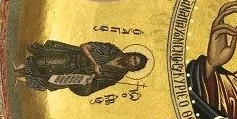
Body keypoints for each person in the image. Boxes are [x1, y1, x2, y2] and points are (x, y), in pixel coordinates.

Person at [14, 40, 147, 96]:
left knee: (48, 80)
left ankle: (18, 78)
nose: (132, 61)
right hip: (72, 58)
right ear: (131, 54)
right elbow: (85, 46)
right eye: (134, 57)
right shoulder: (112, 50)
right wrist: (94, 63)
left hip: (76, 76)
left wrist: (90, 79)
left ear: (133, 68)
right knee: (44, 61)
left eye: (135, 63)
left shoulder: (115, 76)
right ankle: (16, 67)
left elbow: (91, 89)